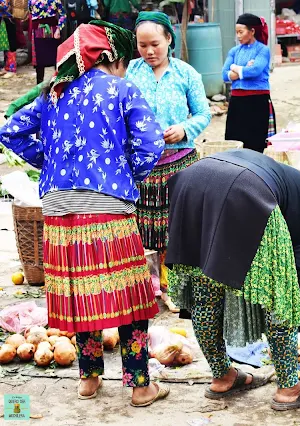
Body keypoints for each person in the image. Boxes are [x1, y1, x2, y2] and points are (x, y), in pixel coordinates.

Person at [0, 21, 169, 406]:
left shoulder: (51, 95)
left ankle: (89, 379)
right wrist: (127, 172)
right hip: (108, 208)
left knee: (79, 297)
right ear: (110, 57)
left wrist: (50, 163)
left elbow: (10, 132)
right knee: (127, 298)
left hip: (59, 210)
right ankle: (140, 385)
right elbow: (151, 142)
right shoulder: (122, 88)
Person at [165, 150, 300, 409]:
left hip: (191, 180)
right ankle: (290, 387)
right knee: (280, 292)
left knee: (205, 288)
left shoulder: (297, 189)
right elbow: (291, 277)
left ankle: (223, 375)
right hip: (246, 187)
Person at [126, 11, 211, 302]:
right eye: (142, 45)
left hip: (180, 161)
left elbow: (203, 113)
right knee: (144, 227)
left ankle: (177, 290)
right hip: (142, 165)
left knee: (178, 226)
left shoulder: (186, 73)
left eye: (155, 44)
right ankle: (147, 288)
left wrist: (185, 128)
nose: (149, 51)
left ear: (169, 40)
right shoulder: (130, 73)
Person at [223, 13, 274, 153]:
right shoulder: (234, 51)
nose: (238, 36)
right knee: (234, 140)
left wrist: (236, 68)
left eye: (241, 32)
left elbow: (255, 71)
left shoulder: (263, 50)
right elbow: (224, 75)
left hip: (257, 101)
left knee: (256, 141)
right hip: (237, 102)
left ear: (252, 31)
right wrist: (245, 69)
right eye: (237, 32)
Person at [29, 0, 67, 84]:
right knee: (39, 61)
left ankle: (58, 83)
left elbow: (63, 15)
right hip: (38, 31)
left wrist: (58, 29)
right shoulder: (32, 1)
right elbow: (31, 12)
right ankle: (39, 85)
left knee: (55, 59)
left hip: (52, 31)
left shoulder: (55, 0)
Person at [0, 1, 18, 78]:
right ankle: (4, 68)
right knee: (5, 46)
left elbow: (4, 6)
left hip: (7, 21)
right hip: (3, 22)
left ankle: (11, 69)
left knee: (10, 46)